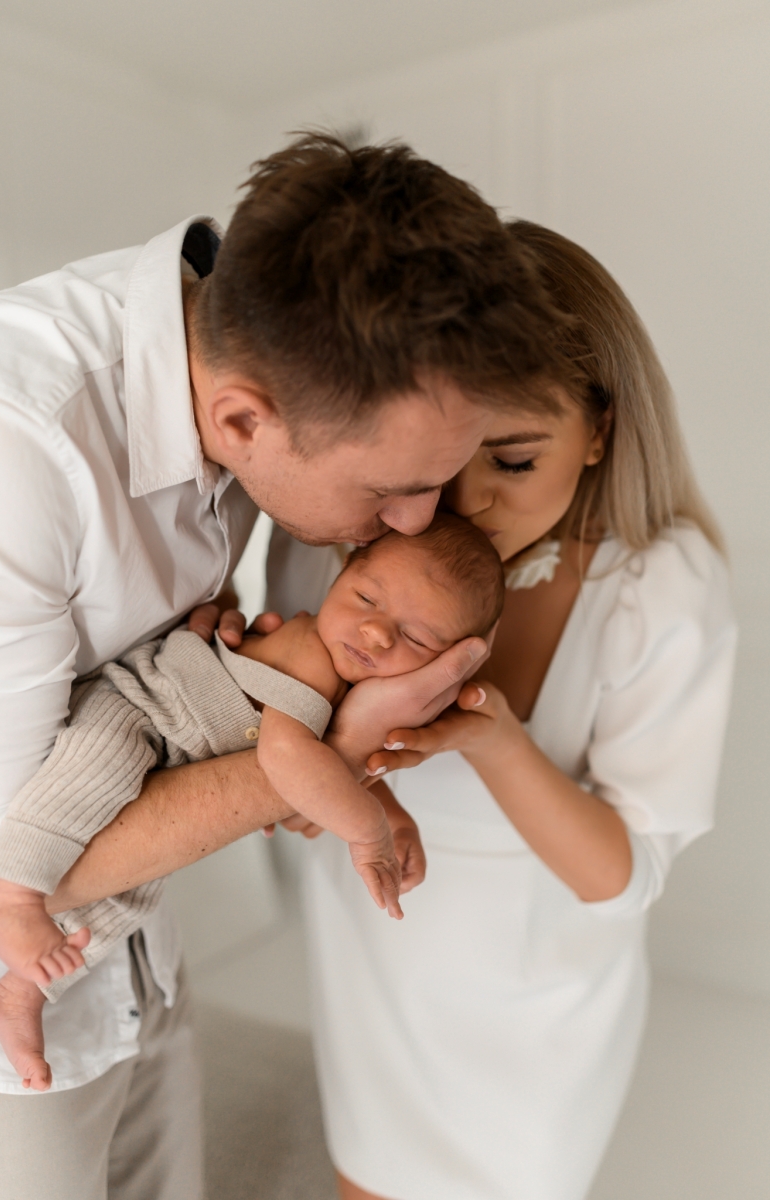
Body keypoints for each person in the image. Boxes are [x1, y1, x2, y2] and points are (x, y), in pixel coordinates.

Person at [0, 133, 562, 1199]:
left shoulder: (246, 369)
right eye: (390, 490)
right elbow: (8, 870)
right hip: (2, 1012)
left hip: (137, 951)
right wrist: (336, 752)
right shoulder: (8, 452)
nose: (416, 521)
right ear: (243, 418)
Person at [300, 221, 738, 1200]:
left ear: (601, 429)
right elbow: (284, 775)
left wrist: (497, 741)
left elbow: (622, 877)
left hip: (542, 1022)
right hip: (375, 972)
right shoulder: (349, 551)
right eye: (438, 457)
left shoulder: (657, 589)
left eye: (512, 460)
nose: (466, 502)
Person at [0, 515, 503, 1093]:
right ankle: (11, 894)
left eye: (417, 639)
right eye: (365, 598)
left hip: (174, 757)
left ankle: (20, 990)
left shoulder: (353, 681)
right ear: (339, 578)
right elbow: (289, 757)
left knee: (132, 893)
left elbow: (325, 760)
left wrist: (393, 814)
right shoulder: (312, 649)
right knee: (91, 776)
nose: (377, 632)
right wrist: (369, 831)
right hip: (141, 711)